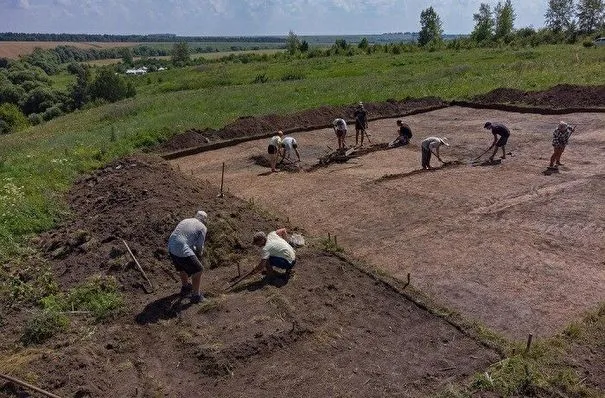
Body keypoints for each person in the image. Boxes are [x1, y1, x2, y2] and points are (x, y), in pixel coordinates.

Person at [167, 211, 208, 303]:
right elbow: (199, 246)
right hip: (181, 247)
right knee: (198, 270)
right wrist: (199, 255)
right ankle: (196, 296)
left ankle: (185, 287)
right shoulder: (202, 227)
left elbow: (185, 236)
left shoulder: (185, 220)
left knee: (182, 268)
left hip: (171, 246)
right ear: (204, 220)